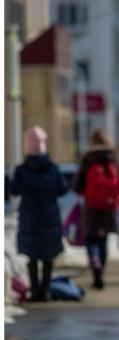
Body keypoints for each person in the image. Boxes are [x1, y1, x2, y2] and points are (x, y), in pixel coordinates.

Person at [10, 126, 69, 301]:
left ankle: (35, 290)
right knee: (48, 256)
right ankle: (46, 289)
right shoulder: (52, 169)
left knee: (32, 255)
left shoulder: (22, 170)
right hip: (49, 216)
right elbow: (63, 188)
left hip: (30, 217)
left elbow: (13, 190)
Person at [72, 129, 119, 290]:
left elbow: (77, 185)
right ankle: (101, 270)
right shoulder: (114, 158)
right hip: (110, 207)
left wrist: (85, 193)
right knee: (103, 240)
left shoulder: (88, 159)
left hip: (91, 207)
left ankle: (95, 265)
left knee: (91, 240)